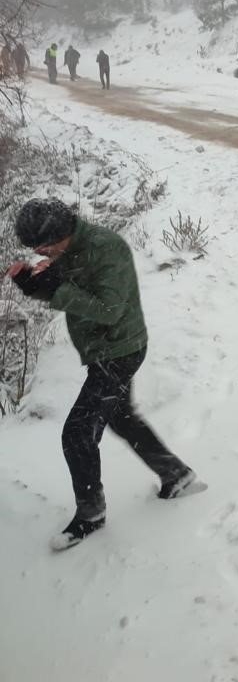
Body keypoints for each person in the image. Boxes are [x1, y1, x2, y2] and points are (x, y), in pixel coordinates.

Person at [9, 198, 202, 551]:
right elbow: (73, 292)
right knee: (122, 418)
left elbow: (109, 310)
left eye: (43, 246)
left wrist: (54, 288)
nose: (41, 253)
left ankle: (91, 514)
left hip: (120, 350)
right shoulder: (69, 250)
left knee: (77, 434)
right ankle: (176, 475)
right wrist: (38, 285)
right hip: (106, 350)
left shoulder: (104, 249)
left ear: (59, 233)